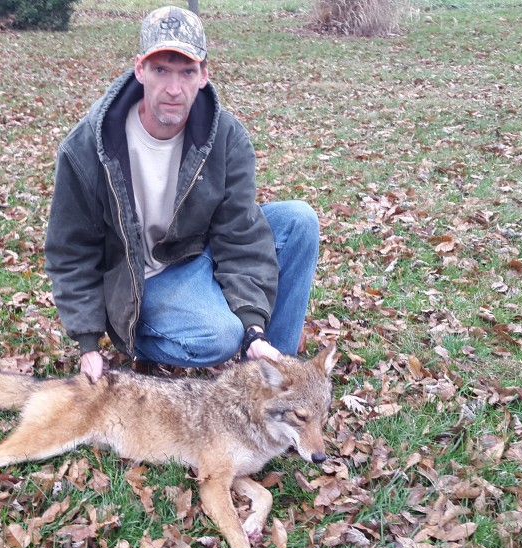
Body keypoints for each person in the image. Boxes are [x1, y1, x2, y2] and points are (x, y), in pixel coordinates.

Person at [45, 5, 319, 380]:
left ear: (204, 75)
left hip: (197, 251)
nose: (174, 89)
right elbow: (71, 250)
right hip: (142, 280)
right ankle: (143, 337)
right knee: (220, 336)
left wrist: (253, 327)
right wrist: (88, 343)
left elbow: (238, 233)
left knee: (299, 220)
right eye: (161, 70)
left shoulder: (225, 136)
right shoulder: (87, 146)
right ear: (139, 69)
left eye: (187, 72)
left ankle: (273, 372)